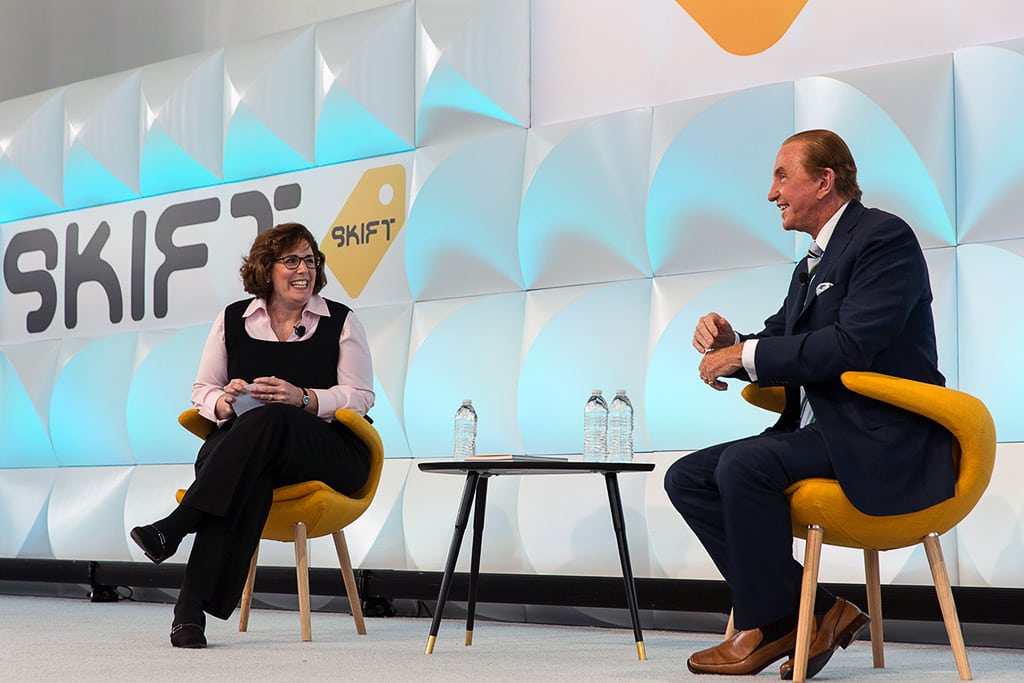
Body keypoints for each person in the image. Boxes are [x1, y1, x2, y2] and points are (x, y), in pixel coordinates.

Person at [664, 130, 955, 678]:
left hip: (876, 434)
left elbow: (850, 345)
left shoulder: (883, 239)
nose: (771, 193)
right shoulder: (810, 265)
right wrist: (732, 343)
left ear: (824, 181)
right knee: (686, 477)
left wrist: (744, 356)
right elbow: (779, 338)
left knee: (743, 464)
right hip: (822, 433)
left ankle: (768, 626)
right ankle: (814, 612)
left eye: (781, 176)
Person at [131, 222, 375, 648]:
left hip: (329, 452)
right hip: (259, 455)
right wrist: (225, 402)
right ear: (267, 268)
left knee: (272, 419)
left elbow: (361, 396)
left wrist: (304, 398)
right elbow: (202, 390)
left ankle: (178, 524)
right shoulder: (232, 320)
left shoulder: (342, 321)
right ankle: (189, 614)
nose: (305, 270)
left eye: (311, 261)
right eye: (292, 260)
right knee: (248, 473)